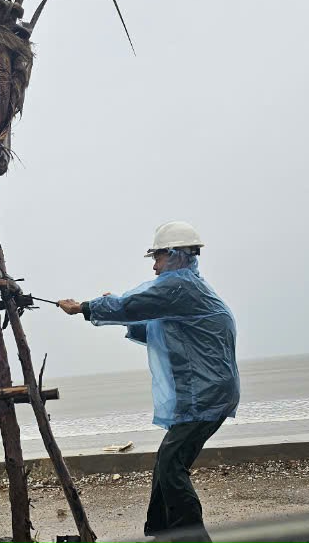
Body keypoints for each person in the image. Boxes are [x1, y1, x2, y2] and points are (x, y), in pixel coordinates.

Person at [58, 221, 240, 542]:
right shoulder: (187, 290)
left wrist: (84, 308)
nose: (154, 267)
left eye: (156, 257)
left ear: (174, 255)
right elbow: (154, 329)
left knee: (171, 466)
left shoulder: (180, 287)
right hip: (207, 393)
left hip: (206, 395)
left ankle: (192, 538)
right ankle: (161, 531)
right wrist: (112, 313)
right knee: (167, 462)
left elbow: (130, 305)